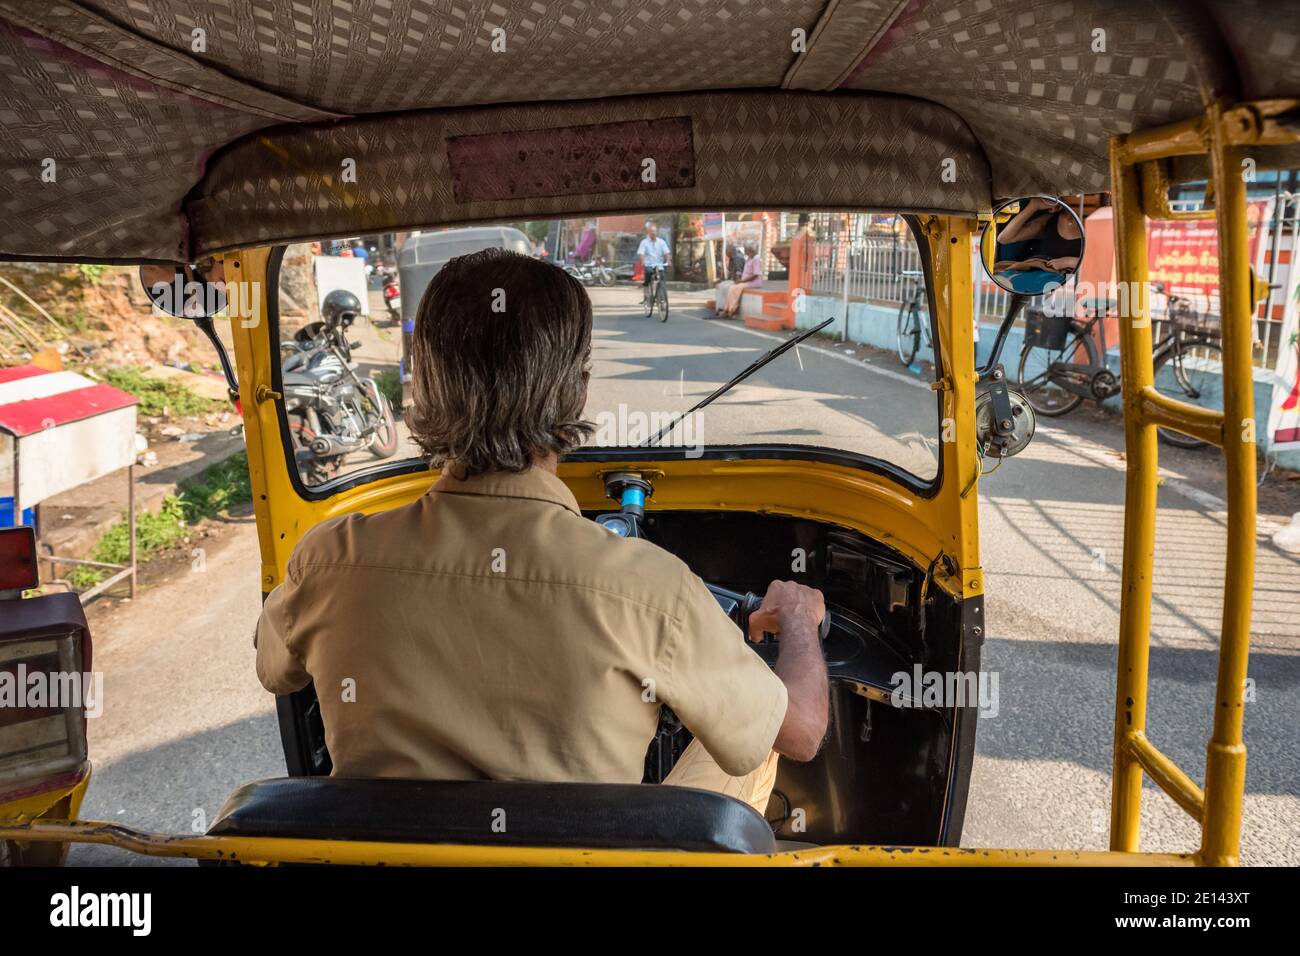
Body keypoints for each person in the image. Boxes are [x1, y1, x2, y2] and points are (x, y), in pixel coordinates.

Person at [254, 249, 829, 815]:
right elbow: (802, 731)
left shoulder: (329, 563)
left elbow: (272, 668)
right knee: (747, 741)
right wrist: (799, 623)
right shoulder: (653, 590)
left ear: (424, 384)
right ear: (577, 388)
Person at [715, 243, 764, 316]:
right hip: (746, 281)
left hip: (754, 282)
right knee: (731, 288)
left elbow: (755, 275)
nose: (746, 254)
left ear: (751, 251)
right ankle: (726, 309)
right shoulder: (750, 258)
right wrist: (740, 280)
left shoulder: (756, 259)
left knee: (734, 289)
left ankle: (731, 310)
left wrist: (742, 281)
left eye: (747, 252)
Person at [636, 222, 670, 305]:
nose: (653, 233)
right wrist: (643, 262)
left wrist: (668, 261)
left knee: (662, 279)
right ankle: (647, 295)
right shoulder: (644, 242)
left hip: (659, 265)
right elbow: (641, 254)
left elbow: (666, 253)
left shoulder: (662, 242)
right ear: (648, 232)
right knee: (648, 275)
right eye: (651, 231)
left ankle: (662, 300)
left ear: (657, 232)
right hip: (649, 265)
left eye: (654, 231)